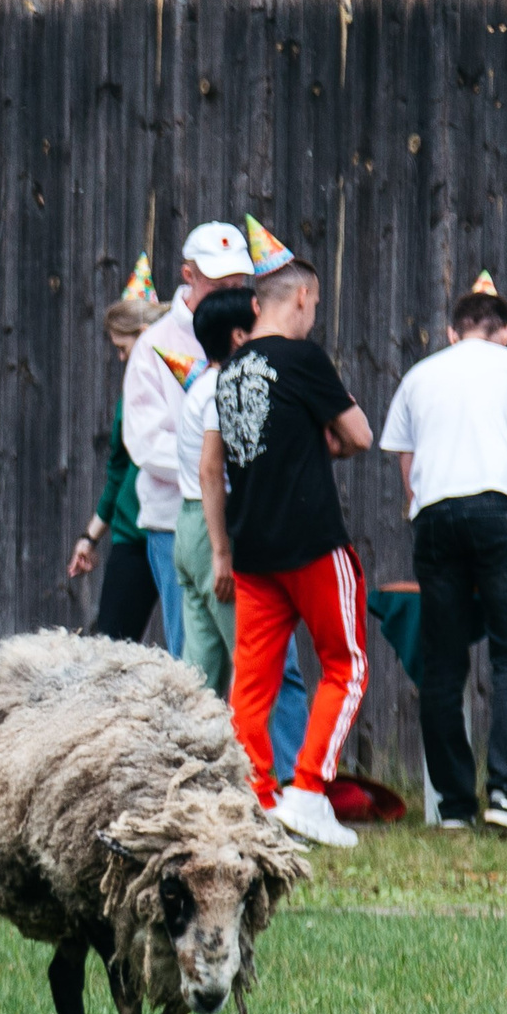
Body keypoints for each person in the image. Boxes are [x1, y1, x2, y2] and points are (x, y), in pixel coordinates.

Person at [201, 220, 371, 848]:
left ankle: (254, 800)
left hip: (253, 548)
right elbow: (358, 435)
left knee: (252, 681)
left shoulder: (231, 368)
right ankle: (307, 791)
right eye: (315, 304)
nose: (313, 314)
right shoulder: (302, 358)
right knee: (345, 665)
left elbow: (235, 456)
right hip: (311, 542)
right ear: (300, 297)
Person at [380, 288, 507, 836]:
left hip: (434, 517)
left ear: (453, 331)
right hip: (501, 509)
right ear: (505, 330)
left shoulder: (418, 376)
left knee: (442, 662)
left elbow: (409, 477)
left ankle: (453, 804)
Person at [173, 288, 311, 783]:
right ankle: (288, 778)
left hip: (188, 526)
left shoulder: (201, 385)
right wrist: (222, 552)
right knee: (268, 666)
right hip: (216, 528)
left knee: (201, 676)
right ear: (238, 337)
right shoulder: (223, 387)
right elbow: (214, 473)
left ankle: (191, 779)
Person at [125, 222, 254, 658]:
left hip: (247, 518)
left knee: (264, 658)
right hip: (179, 517)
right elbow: (144, 442)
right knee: (193, 658)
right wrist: (214, 467)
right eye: (220, 282)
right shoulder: (153, 345)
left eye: (239, 281)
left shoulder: (256, 334)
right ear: (188, 275)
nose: (232, 290)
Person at [68, 273, 159, 641]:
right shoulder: (130, 395)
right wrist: (90, 538)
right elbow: (119, 472)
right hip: (132, 537)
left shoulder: (192, 380)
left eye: (124, 348)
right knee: (112, 646)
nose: (122, 358)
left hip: (174, 534)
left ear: (145, 333)